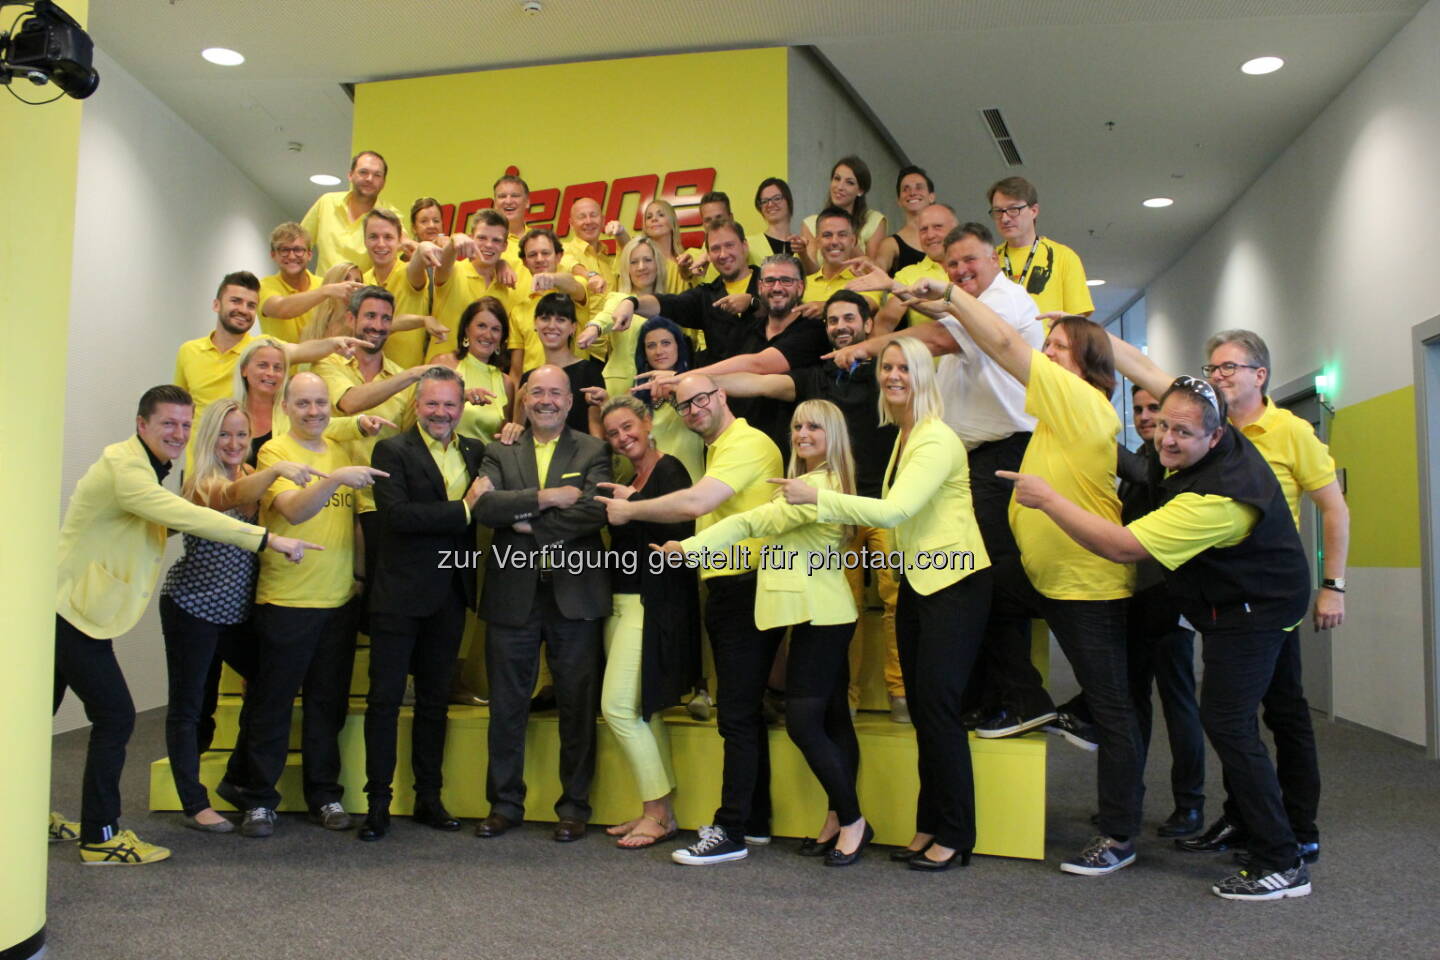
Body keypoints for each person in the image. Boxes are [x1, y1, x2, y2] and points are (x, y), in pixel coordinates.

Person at [1003, 376, 1315, 900]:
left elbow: (1122, 547)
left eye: (1182, 432)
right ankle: (1259, 831)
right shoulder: (1209, 443)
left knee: (1230, 723)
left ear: (1216, 436)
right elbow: (1147, 373)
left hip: (1252, 612)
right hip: (1251, 598)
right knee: (1237, 719)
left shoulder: (1216, 498)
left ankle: (1282, 861)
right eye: (1162, 424)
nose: (1166, 438)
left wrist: (1049, 499)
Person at [897, 276, 1143, 876]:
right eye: (1048, 346)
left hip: (1085, 585)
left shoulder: (1080, 401)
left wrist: (951, 297)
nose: (1045, 353)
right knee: (981, 591)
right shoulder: (1055, 418)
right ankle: (1025, 697)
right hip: (1042, 576)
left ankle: (1118, 835)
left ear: (1085, 367)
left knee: (1113, 711)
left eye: (1058, 348)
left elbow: (1007, 345)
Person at [54, 385, 317, 864]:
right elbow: (189, 515)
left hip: (92, 605)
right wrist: (267, 539)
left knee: (38, 719)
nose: (177, 433)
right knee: (119, 716)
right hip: (73, 609)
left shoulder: (153, 467)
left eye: (183, 424)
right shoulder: (128, 469)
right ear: (142, 425)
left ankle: (25, 810)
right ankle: (101, 835)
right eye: (167, 424)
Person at [1109, 328, 1343, 864]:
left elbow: (1335, 508)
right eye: (1212, 368)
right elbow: (1147, 372)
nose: (1218, 376)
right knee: (1236, 718)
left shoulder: (1288, 431)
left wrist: (1333, 586)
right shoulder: (1203, 422)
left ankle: (1296, 831)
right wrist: (1089, 334)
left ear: (1260, 375)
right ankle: (1245, 821)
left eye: (1229, 367)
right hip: (1224, 588)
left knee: (1276, 714)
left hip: (1267, 593)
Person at [772, 337, 991, 870]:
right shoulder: (906, 435)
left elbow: (894, 511)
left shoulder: (934, 438)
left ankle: (955, 835)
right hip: (920, 582)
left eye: (905, 368)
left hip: (954, 584)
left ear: (924, 377)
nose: (894, 376)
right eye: (888, 367)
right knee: (925, 712)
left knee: (938, 712)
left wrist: (817, 496)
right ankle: (929, 826)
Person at [838, 223, 1055, 744]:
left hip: (1003, 453)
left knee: (993, 580)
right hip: (971, 458)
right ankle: (985, 698)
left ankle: (1021, 698)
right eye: (951, 265)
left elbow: (939, 337)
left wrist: (872, 347)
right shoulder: (970, 303)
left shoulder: (1007, 300)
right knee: (973, 584)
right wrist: (894, 287)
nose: (959, 271)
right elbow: (943, 316)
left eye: (969, 261)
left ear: (994, 258)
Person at [667, 399, 871, 866]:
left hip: (824, 617)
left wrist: (689, 547)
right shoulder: (808, 483)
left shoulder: (815, 487)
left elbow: (751, 521)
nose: (802, 434)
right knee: (833, 720)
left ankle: (854, 820)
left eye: (814, 427)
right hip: (815, 614)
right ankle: (838, 820)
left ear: (834, 436)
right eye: (797, 426)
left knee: (804, 723)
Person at [597, 374, 784, 865]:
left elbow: (696, 506)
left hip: (743, 586)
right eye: (684, 405)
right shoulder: (717, 450)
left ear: (722, 395)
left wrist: (632, 509)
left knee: (735, 717)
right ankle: (753, 821)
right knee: (740, 713)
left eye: (700, 399)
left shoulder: (744, 444)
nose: (693, 409)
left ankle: (730, 830)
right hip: (723, 587)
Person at [709, 291, 903, 719]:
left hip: (882, 503)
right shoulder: (816, 377)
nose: (840, 327)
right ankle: (845, 697)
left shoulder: (887, 373)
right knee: (843, 605)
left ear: (868, 325)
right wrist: (697, 384)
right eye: (832, 321)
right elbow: (759, 382)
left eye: (849, 318)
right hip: (828, 507)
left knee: (897, 598)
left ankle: (901, 691)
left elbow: (922, 342)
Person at [215, 372, 387, 838]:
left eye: (320, 403)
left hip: (338, 601)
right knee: (271, 706)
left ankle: (324, 795)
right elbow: (294, 509)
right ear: (286, 408)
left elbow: (355, 524)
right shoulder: (274, 453)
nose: (314, 411)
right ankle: (257, 800)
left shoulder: (341, 451)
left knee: (327, 708)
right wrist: (336, 480)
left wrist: (360, 579)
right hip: (286, 601)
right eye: (304, 403)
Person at [158, 398, 321, 834]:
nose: (233, 443)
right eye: (224, 435)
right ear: (209, 438)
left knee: (270, 685)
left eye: (242, 435)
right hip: (192, 607)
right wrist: (277, 468)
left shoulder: (250, 473)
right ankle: (194, 803)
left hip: (236, 612)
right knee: (193, 707)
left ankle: (236, 779)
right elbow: (233, 497)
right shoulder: (199, 482)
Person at [471, 365, 611, 843]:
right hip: (513, 596)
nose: (546, 400)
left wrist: (528, 521)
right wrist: (548, 497)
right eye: (537, 392)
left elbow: (594, 511)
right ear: (524, 399)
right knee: (506, 706)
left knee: (577, 706)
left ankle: (574, 807)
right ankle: (504, 805)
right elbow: (485, 508)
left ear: (570, 401)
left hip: (576, 596)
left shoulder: (592, 449)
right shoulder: (499, 448)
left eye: (555, 392)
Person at [359, 367, 490, 841]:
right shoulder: (392, 449)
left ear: (462, 407)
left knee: (435, 703)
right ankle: (378, 803)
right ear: (417, 405)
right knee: (384, 701)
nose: (441, 412)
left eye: (450, 404)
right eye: (432, 403)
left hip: (450, 596)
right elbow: (398, 516)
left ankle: (428, 798)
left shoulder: (474, 451)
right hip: (398, 596)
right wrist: (465, 508)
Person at [595, 395, 700, 848]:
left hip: (649, 603)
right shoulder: (625, 479)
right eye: (613, 433)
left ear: (648, 421)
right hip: (619, 602)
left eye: (627, 427)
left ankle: (656, 812)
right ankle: (659, 812)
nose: (622, 438)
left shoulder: (670, 470)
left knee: (618, 708)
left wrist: (635, 503)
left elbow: (682, 533)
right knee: (641, 709)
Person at [645, 254, 829, 456]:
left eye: (786, 280)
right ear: (760, 286)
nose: (777, 287)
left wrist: (685, 378)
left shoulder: (814, 331)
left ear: (800, 287)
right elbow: (725, 379)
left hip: (787, 451)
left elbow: (758, 365)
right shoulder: (747, 328)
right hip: (737, 446)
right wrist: (679, 381)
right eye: (769, 281)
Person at [173, 271, 364, 426]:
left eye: (251, 305)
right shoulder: (188, 351)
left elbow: (301, 350)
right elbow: (179, 407)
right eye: (236, 301)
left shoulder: (262, 349)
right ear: (216, 305)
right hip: (200, 457)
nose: (243, 310)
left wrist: (334, 343)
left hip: (244, 452)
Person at [608, 219, 761, 366]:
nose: (723, 254)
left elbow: (773, 307)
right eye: (715, 249)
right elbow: (669, 304)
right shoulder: (706, 295)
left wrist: (753, 302)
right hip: (723, 382)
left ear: (744, 246)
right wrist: (632, 302)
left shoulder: (769, 283)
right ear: (708, 255)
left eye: (729, 245)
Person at [576, 235, 671, 399]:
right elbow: (608, 316)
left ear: (658, 265)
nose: (641, 267)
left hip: (661, 387)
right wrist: (594, 328)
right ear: (626, 269)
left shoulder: (670, 304)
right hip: (621, 386)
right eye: (634, 262)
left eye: (647, 260)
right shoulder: (618, 298)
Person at [986, 176, 1093, 317]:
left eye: (1013, 209)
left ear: (1034, 211)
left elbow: (1078, 321)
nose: (1005, 218)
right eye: (998, 211)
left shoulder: (1064, 257)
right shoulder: (988, 261)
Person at [428, 208, 517, 362]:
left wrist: (502, 263)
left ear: (505, 246)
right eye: (482, 238)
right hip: (443, 371)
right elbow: (443, 263)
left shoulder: (505, 286)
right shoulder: (454, 271)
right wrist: (454, 242)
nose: (489, 245)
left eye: (496, 240)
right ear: (471, 238)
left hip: (483, 372)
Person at [301, 149, 406, 273]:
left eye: (377, 175)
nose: (369, 179)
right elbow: (298, 244)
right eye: (363, 172)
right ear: (350, 175)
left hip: (364, 285)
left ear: (383, 182)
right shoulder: (326, 202)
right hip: (325, 285)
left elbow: (406, 246)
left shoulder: (391, 215)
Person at [517, 293, 605, 438]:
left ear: (573, 327)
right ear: (535, 324)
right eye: (545, 318)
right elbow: (520, 431)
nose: (552, 326)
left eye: (561, 320)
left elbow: (597, 436)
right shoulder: (528, 378)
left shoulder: (589, 372)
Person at [257, 222, 362, 343]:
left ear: (309, 255)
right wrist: (325, 291)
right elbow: (281, 309)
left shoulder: (323, 285)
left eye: (298, 250)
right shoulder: (263, 286)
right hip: (278, 356)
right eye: (284, 250)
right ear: (273, 255)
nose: (291, 256)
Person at [869, 203, 958, 336]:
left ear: (955, 230)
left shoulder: (973, 266)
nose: (930, 235)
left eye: (937, 227)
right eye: (923, 229)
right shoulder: (908, 274)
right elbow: (885, 322)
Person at [509, 227, 588, 375]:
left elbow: (572, 284)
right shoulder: (519, 309)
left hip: (575, 380)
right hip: (533, 385)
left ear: (559, 256)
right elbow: (516, 370)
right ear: (525, 262)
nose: (539, 259)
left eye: (545, 253)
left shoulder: (575, 289)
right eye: (532, 255)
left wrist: (551, 278)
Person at [361, 208, 432, 369]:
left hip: (408, 379)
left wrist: (420, 247)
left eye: (388, 237)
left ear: (400, 241)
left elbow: (419, 259)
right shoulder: (362, 281)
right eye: (373, 237)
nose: (381, 244)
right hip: (368, 377)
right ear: (364, 241)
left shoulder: (409, 273)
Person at [448, 296, 516, 441]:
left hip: (486, 455)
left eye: (495, 329)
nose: (488, 335)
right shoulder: (445, 364)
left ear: (502, 337)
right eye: (481, 326)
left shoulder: (506, 383)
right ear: (467, 329)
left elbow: (503, 439)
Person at [801, 156, 888, 267]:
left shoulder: (874, 220)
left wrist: (847, 240)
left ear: (860, 190)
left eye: (849, 182)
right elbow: (811, 273)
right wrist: (802, 253)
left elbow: (874, 270)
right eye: (837, 179)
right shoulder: (810, 223)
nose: (840, 187)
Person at [874, 166, 936, 276]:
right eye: (905, 189)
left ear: (931, 197)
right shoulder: (890, 244)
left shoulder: (947, 236)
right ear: (899, 200)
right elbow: (879, 266)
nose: (912, 193)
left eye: (919, 188)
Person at [753, 177, 802, 258]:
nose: (770, 204)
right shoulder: (750, 245)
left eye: (777, 198)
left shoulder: (801, 247)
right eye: (764, 201)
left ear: (788, 201)